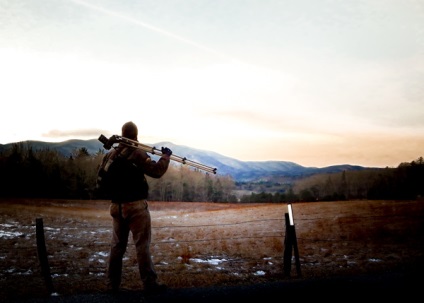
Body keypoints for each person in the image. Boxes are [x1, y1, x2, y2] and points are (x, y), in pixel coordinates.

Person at [97, 121, 172, 294]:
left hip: (116, 207)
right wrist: (165, 157)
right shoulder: (137, 153)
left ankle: (112, 285)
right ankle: (149, 284)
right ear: (136, 135)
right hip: (136, 207)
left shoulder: (110, 155)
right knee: (142, 246)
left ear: (122, 133)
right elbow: (156, 171)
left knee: (117, 247)